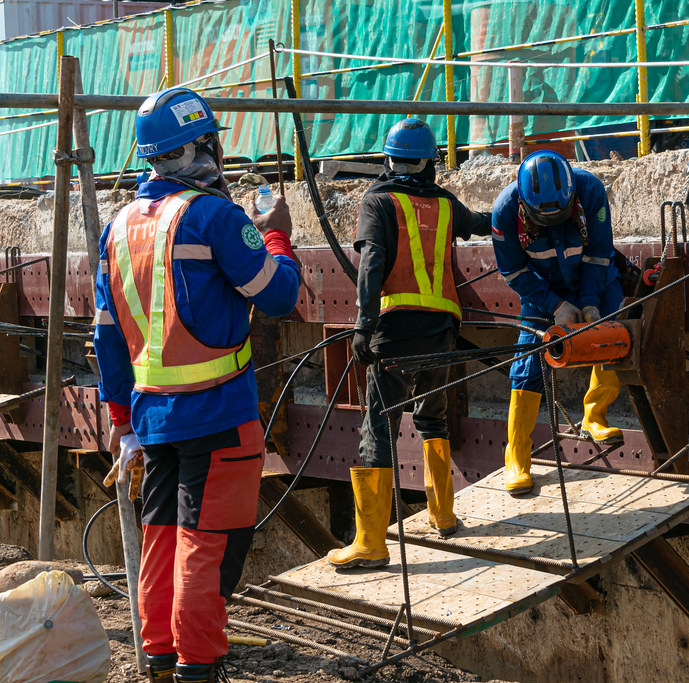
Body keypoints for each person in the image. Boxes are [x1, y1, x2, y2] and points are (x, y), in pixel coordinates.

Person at [93, 87, 299, 682]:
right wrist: (276, 235)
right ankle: (199, 668)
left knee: (161, 540)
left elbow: (106, 337)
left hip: (152, 421)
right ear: (199, 147)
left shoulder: (119, 228)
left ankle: (159, 660)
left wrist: (122, 423)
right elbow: (280, 295)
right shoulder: (214, 216)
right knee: (206, 548)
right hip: (220, 420)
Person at [326, 118, 491, 569]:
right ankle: (443, 515)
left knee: (377, 430)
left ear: (388, 159)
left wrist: (364, 324)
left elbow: (372, 261)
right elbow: (481, 224)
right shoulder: (443, 203)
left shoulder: (377, 201)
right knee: (432, 418)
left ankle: (371, 544)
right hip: (442, 334)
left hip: (394, 336)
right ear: (428, 164)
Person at [490, 150, 624, 496]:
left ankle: (595, 415)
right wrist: (555, 305)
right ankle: (516, 458)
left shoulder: (590, 190)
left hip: (592, 278)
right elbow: (513, 272)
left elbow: (599, 253)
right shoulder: (505, 212)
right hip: (542, 288)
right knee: (527, 364)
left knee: (609, 337)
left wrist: (591, 304)